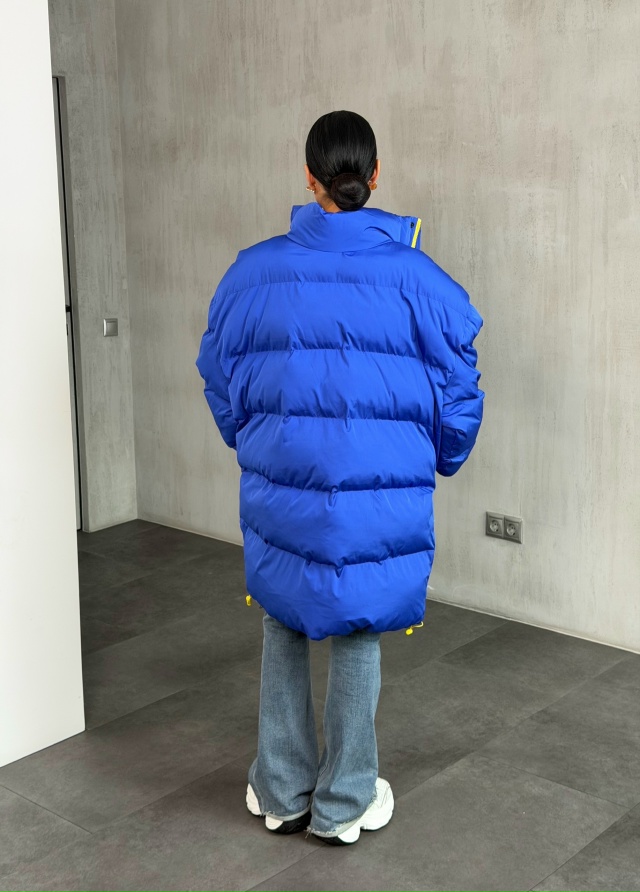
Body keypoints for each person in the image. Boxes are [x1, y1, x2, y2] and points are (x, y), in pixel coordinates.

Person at [196, 110, 484, 845]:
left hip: (281, 482)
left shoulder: (251, 272)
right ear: (375, 175)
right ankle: (345, 801)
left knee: (282, 617)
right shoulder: (418, 278)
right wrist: (447, 454)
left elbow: (218, 373)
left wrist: (247, 439)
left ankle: (281, 790)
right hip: (377, 494)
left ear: (309, 176)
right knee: (359, 627)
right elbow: (459, 383)